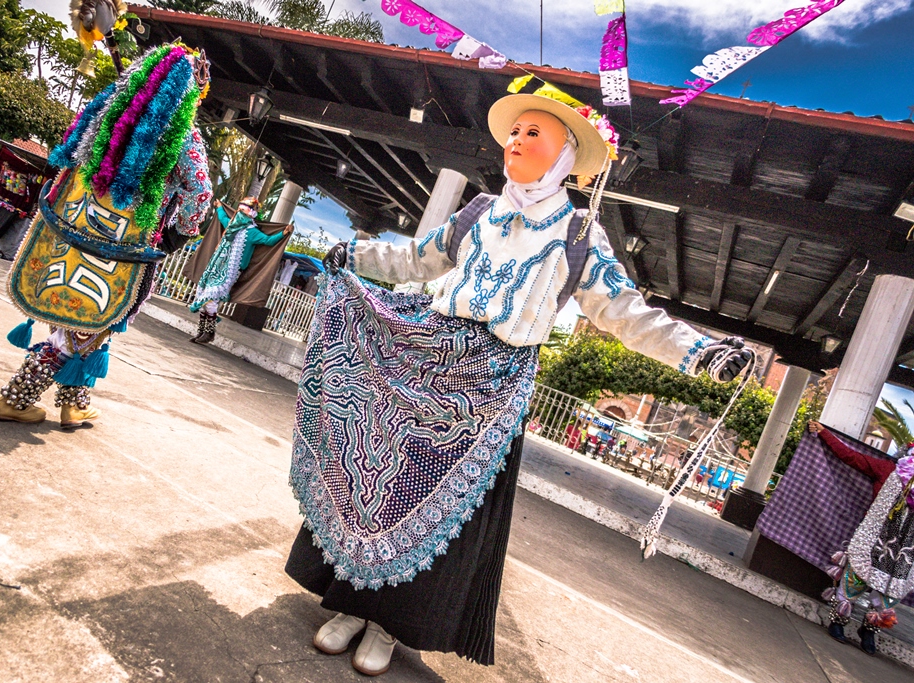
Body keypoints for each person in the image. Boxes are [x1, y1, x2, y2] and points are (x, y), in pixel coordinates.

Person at [285, 85, 754, 675]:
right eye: (515, 131)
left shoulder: (580, 236)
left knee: (429, 503)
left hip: (487, 396)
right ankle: (349, 605)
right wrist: (352, 255)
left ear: (563, 155)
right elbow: (415, 261)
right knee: (378, 478)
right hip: (423, 361)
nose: (517, 141)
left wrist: (701, 353)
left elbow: (626, 314)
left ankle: (388, 625)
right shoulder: (479, 211)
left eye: (534, 134)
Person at [0, 43, 212, 428]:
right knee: (88, 324)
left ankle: (74, 404)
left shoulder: (106, 117)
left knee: (76, 314)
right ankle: (15, 398)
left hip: (75, 232)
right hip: (126, 249)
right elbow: (201, 193)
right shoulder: (183, 139)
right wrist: (180, 233)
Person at [809, 421, 914, 656]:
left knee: (887, 595)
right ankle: (838, 621)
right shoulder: (886, 470)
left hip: (903, 552)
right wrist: (825, 434)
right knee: (853, 582)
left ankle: (869, 630)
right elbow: (850, 456)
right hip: (872, 540)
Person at [187, 196, 293, 344]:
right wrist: (218, 206)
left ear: (252, 213)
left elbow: (268, 241)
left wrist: (284, 233)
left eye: (244, 210)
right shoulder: (231, 225)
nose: (240, 212)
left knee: (210, 299)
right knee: (205, 299)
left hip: (231, 271)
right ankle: (203, 332)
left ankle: (209, 333)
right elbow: (223, 216)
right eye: (240, 209)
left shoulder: (252, 232)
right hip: (216, 267)